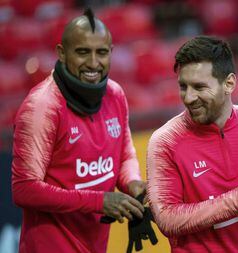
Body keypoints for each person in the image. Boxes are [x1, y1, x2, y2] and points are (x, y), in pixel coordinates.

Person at [11, 9, 146, 253]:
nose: (93, 63)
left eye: (101, 52)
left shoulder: (115, 94)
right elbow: (24, 188)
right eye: (82, 52)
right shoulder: (42, 107)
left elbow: (124, 156)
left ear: (111, 53)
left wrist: (134, 185)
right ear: (62, 53)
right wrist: (99, 201)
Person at [146, 36, 238, 252]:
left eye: (199, 87)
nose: (188, 98)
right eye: (183, 86)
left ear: (229, 83)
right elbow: (167, 219)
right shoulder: (165, 141)